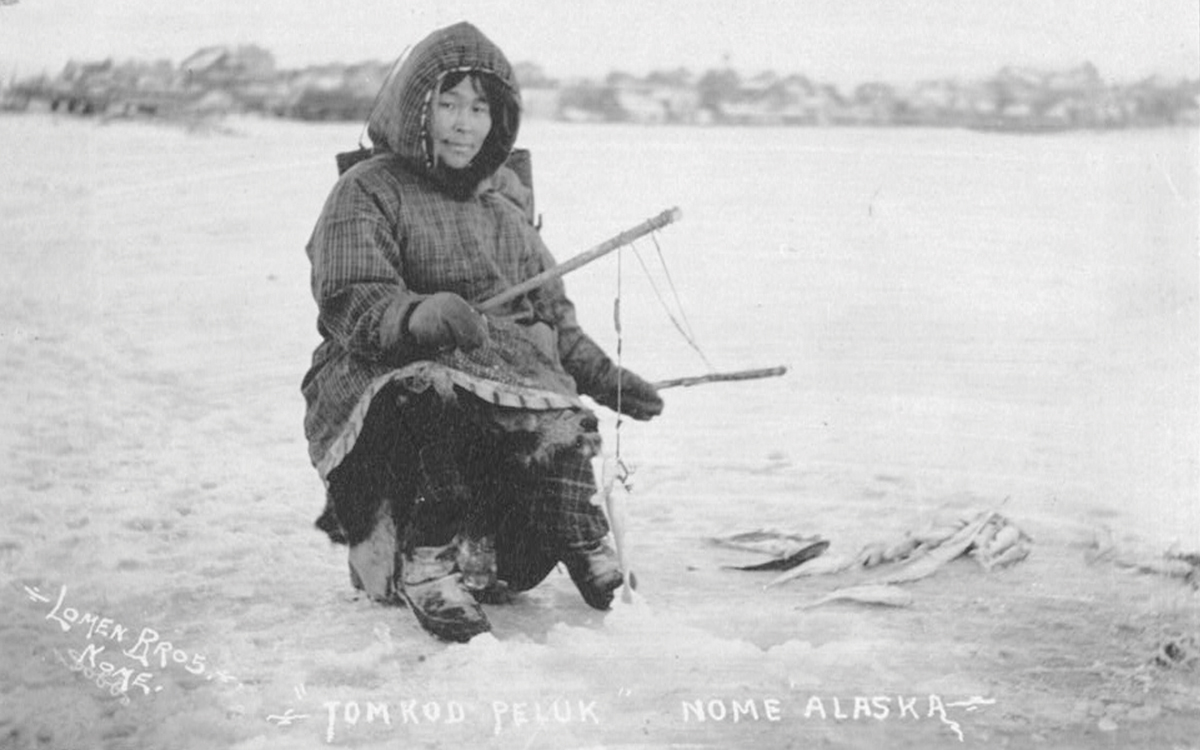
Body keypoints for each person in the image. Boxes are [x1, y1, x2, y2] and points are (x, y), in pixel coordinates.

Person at [301, 21, 663, 643]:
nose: (464, 123)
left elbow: (551, 317)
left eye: (480, 107)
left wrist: (605, 378)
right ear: (416, 108)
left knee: (555, 405)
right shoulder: (368, 190)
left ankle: (578, 532)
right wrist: (417, 314)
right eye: (447, 103)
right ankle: (426, 560)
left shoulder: (503, 210)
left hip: (498, 373)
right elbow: (351, 294)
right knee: (435, 393)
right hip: (387, 372)